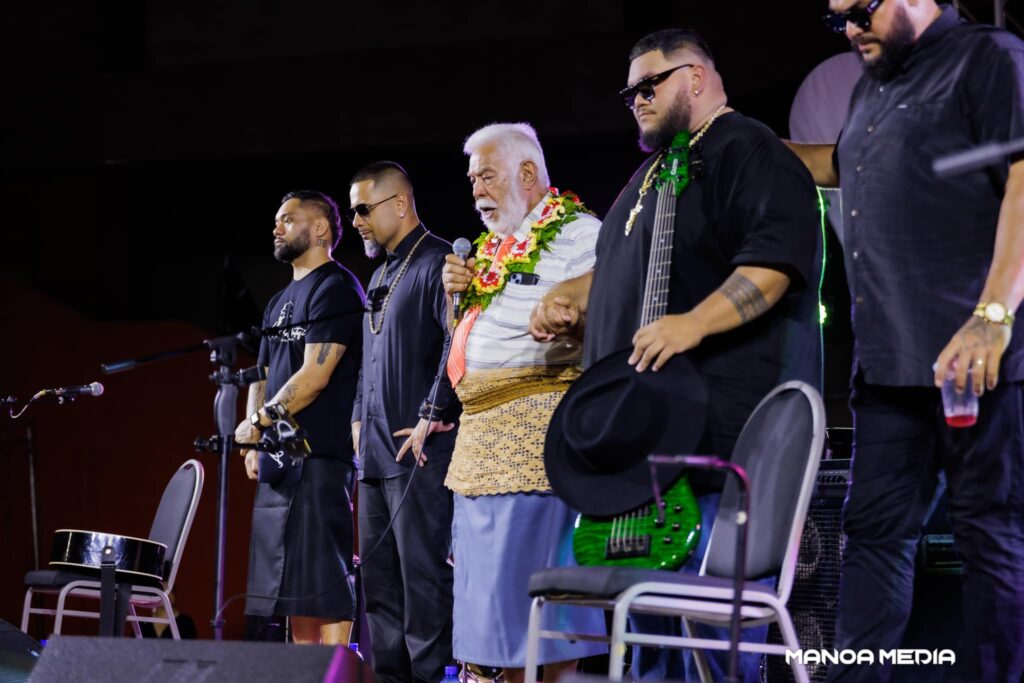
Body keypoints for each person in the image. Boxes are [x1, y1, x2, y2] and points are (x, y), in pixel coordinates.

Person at [529, 29, 822, 682]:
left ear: (696, 77)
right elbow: (617, 273)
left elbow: (773, 266)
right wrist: (569, 301)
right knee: (645, 651)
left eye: (649, 84)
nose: (636, 99)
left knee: (710, 646)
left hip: (719, 448)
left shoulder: (749, 150)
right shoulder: (649, 175)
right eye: (628, 91)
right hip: (640, 458)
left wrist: (691, 324)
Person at [783, 2, 1024, 680]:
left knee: (989, 540)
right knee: (872, 541)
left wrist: (994, 314)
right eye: (835, 20)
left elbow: (1023, 181)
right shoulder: (871, 86)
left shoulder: (989, 59)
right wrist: (746, 143)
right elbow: (841, 166)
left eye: (860, 10)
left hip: (979, 363)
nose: (851, 28)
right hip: (887, 370)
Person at [440, 122, 607, 683]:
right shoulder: (490, 249)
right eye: (472, 181)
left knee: (538, 612)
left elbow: (616, 301)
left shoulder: (580, 233)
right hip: (477, 448)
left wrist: (573, 312)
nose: (477, 192)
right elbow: (471, 338)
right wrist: (453, 301)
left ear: (528, 174)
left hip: (534, 440)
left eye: (487, 176)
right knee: (485, 620)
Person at [234, 190, 365, 646]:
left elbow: (314, 376)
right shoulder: (276, 302)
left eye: (288, 219)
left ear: (321, 228)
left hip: (320, 459)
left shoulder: (336, 287)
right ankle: (306, 672)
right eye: (276, 221)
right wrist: (254, 438)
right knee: (290, 593)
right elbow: (264, 374)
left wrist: (260, 422)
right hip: (277, 464)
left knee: (323, 583)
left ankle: (336, 673)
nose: (277, 228)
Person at [349, 161, 459, 683]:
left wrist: (431, 413)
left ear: (399, 204)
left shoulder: (436, 262)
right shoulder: (380, 273)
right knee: (380, 589)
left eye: (363, 209)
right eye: (352, 211)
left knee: (422, 581)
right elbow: (368, 360)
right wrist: (354, 417)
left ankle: (432, 676)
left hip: (417, 455)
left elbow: (457, 344)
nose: (356, 221)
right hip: (371, 456)